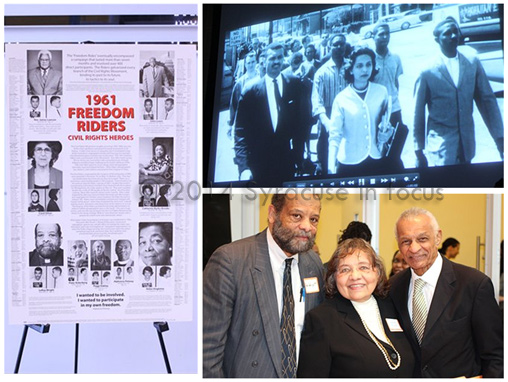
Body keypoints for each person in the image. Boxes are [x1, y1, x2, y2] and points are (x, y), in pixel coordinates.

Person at [203, 193, 325, 378]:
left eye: (314, 219)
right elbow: (208, 348)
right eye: (297, 216)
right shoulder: (231, 261)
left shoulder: (313, 264)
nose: (307, 226)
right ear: (272, 214)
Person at [390, 207, 503, 377]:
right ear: (398, 243)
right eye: (406, 241)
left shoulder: (474, 285)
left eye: (422, 239)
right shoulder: (392, 287)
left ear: (438, 237)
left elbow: (496, 355)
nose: (414, 248)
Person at [298, 238, 414, 377]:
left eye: (363, 267)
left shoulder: (392, 306)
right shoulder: (321, 320)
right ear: (334, 277)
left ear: (376, 272)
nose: (355, 276)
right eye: (345, 269)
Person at [413, 17, 503, 167]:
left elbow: (488, 102)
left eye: (455, 31)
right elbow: (418, 113)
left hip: (467, 147)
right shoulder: (427, 71)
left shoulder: (472, 62)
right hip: (441, 149)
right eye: (447, 33)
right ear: (437, 39)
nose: (454, 36)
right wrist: (418, 151)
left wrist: (500, 139)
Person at [234, 42, 308, 186]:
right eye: (272, 58)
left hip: (286, 162)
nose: (277, 62)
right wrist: (243, 167)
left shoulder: (294, 84)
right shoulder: (250, 92)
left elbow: (301, 124)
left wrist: (298, 157)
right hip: (258, 165)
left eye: (279, 58)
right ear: (264, 61)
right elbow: (240, 132)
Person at [328, 46, 394, 175]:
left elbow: (387, 123)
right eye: (359, 66)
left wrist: (388, 132)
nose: (365, 69)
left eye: (368, 65)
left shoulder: (381, 92)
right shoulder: (341, 98)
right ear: (351, 70)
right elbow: (334, 136)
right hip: (349, 163)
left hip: (376, 159)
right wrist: (330, 168)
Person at [372, 23, 407, 170]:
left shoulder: (396, 58)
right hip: (376, 111)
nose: (385, 37)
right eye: (381, 34)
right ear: (373, 36)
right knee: (377, 149)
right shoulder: (369, 59)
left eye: (387, 33)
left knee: (395, 146)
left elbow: (396, 82)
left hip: (394, 109)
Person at [311, 34, 348, 174]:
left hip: (348, 116)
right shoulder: (321, 73)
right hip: (328, 117)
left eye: (342, 44)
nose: (339, 47)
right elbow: (317, 102)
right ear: (329, 47)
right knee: (327, 158)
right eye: (335, 44)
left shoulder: (351, 67)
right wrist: (327, 123)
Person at [228, 51, 260, 137]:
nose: (251, 65)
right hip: (247, 120)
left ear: (256, 62)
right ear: (245, 65)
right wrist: (231, 124)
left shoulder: (262, 78)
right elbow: (234, 104)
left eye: (253, 62)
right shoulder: (240, 83)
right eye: (248, 63)